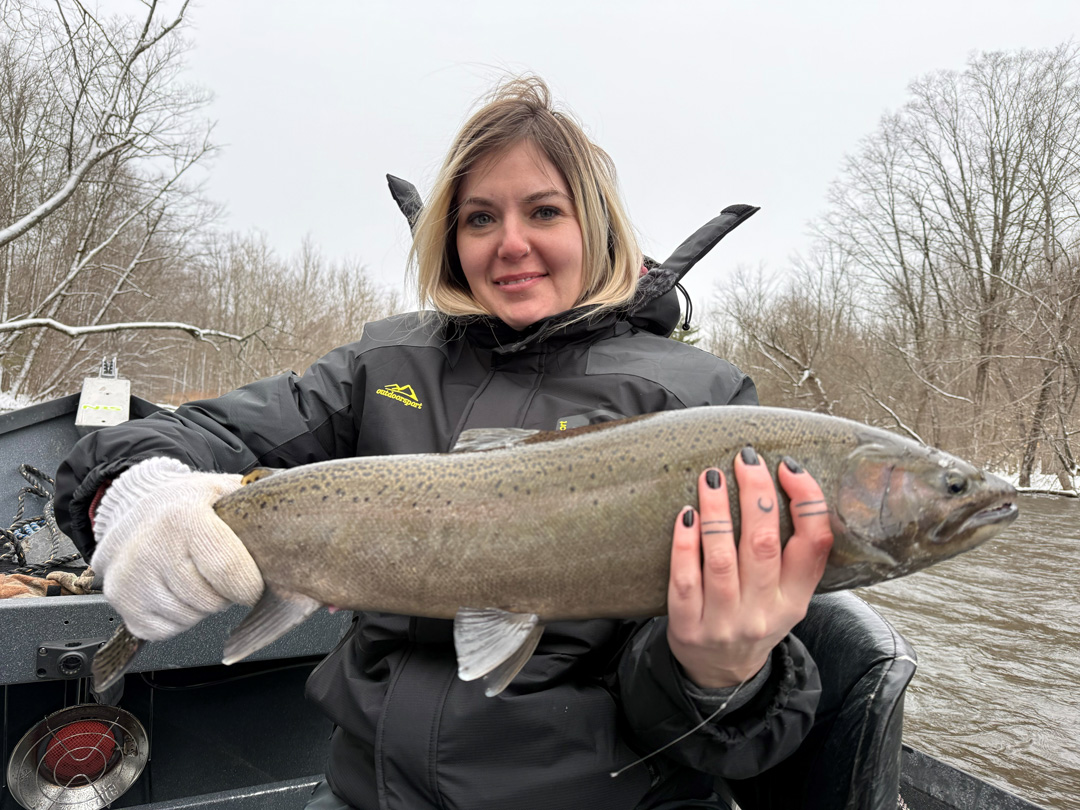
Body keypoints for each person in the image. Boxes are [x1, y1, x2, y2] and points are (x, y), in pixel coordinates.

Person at [55, 76, 834, 810]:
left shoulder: (697, 398)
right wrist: (137, 495)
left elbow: (738, 738)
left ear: (596, 226)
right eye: (480, 218)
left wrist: (718, 672)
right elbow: (178, 433)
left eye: (545, 212)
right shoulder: (384, 365)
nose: (511, 244)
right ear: (449, 236)